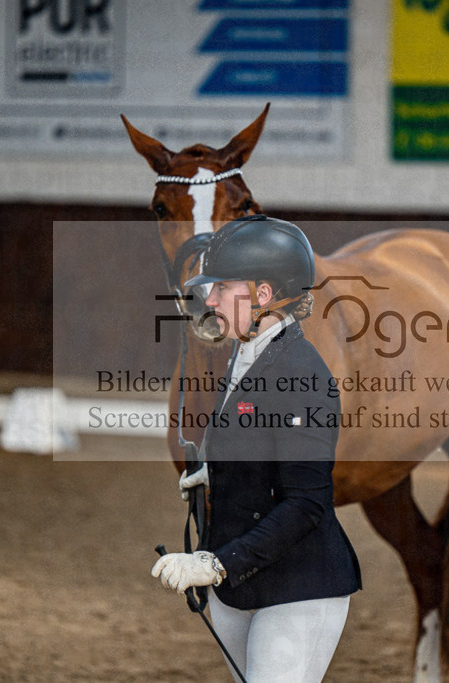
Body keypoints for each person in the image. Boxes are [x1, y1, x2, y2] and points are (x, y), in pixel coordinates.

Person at [152, 215, 361, 683]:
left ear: (263, 296)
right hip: (240, 585)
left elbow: (307, 503)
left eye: (223, 288)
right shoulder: (243, 356)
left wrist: (214, 563)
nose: (209, 299)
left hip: (298, 588)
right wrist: (219, 474)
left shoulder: (302, 374)